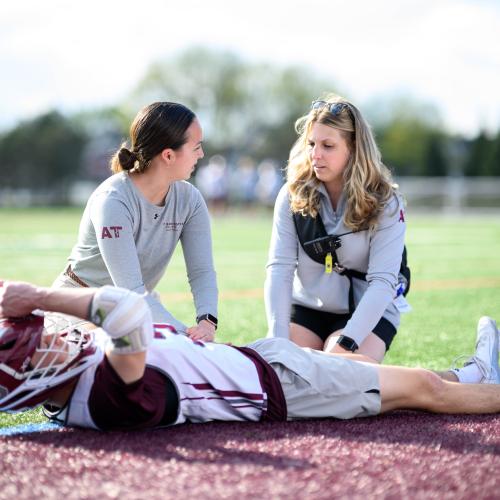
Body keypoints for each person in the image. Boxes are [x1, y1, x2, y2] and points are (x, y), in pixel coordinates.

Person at [0, 279, 499, 431]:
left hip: (261, 360)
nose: (52, 338)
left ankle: (474, 373)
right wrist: (40, 296)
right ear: (28, 380)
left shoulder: (70, 385)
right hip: (283, 386)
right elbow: (126, 311)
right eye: (36, 346)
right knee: (423, 391)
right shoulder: (104, 395)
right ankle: (476, 383)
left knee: (377, 371)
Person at [53, 102, 218, 342]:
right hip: (79, 309)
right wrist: (186, 337)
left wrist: (207, 322)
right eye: (196, 147)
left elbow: (202, 271)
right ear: (169, 155)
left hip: (130, 308)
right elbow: (131, 292)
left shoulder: (190, 199)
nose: (201, 154)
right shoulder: (112, 200)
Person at [265, 94, 409, 363]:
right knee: (282, 372)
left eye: (328, 146)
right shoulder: (291, 194)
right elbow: (279, 269)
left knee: (337, 377)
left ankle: (466, 376)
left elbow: (382, 283)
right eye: (311, 144)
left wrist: (345, 344)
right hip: (308, 307)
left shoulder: (386, 201)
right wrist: (277, 339)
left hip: (366, 311)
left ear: (353, 148)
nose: (315, 154)